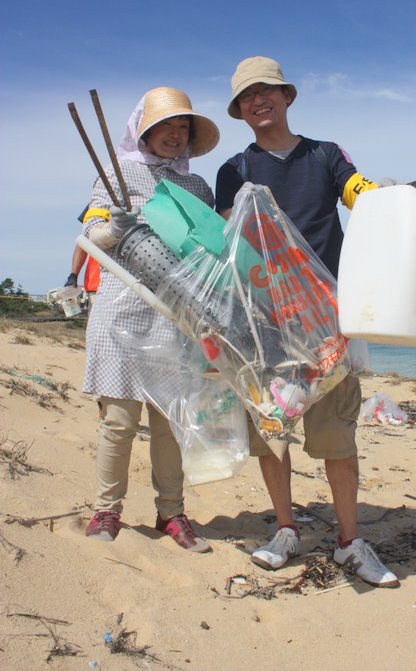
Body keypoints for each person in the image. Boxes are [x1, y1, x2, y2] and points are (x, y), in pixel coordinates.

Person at [215, 56, 398, 588]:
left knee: (337, 436)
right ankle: (286, 529)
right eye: (247, 96)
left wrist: (378, 197)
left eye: (266, 90)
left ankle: (349, 541)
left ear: (286, 96)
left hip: (328, 321)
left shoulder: (324, 154)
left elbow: (354, 189)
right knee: (272, 436)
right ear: (240, 110)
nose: (258, 101)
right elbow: (227, 244)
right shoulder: (234, 170)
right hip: (265, 325)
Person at [83, 87, 219, 550]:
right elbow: (91, 233)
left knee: (168, 422)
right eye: (166, 126)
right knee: (119, 420)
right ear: (144, 130)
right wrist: (112, 228)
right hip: (122, 308)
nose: (175, 134)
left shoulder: (197, 187)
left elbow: (209, 248)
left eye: (183, 126)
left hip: (176, 315)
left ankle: (171, 514)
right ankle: (106, 510)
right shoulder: (116, 173)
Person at [64, 207, 108, 309]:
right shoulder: (97, 205)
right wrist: (73, 275)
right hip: (98, 286)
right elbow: (83, 242)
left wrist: (74, 275)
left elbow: (83, 242)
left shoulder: (97, 205)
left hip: (99, 286)